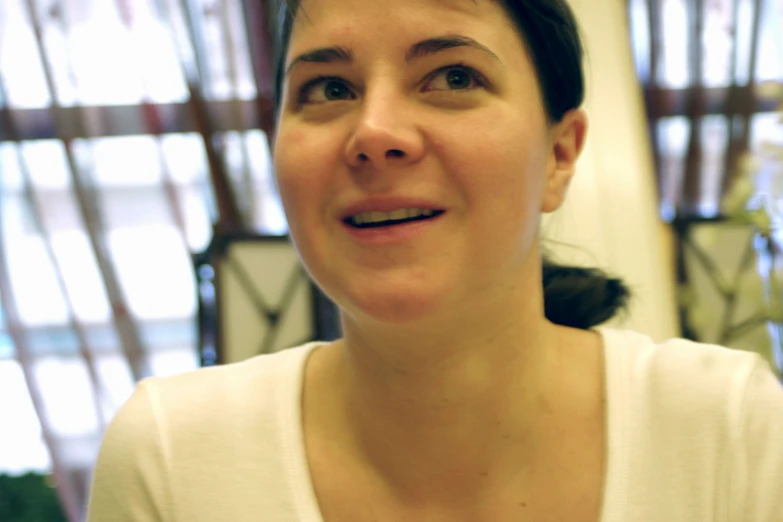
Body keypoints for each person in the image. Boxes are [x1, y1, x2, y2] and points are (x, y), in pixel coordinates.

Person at [87, 0, 783, 520]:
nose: (374, 133)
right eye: (329, 89)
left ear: (559, 154)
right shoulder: (174, 457)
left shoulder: (726, 431)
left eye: (451, 76)